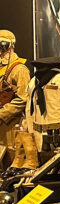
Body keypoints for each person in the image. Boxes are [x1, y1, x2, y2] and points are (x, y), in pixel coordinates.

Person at [0, 31, 31, 168]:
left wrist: (2, 114)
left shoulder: (19, 69)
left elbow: (23, 99)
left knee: (10, 158)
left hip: (10, 125)